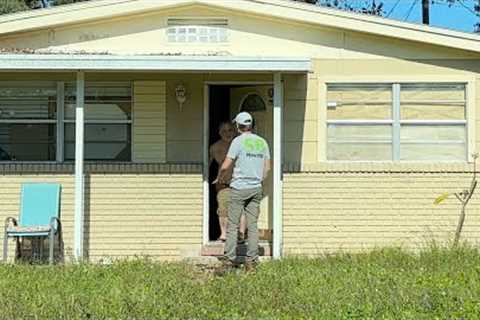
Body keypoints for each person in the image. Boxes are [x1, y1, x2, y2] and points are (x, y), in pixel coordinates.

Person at [216, 112, 271, 273]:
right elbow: (267, 168)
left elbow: (226, 165)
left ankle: (228, 261)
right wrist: (258, 180)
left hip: (239, 188)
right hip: (255, 188)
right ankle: (252, 263)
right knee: (252, 226)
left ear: (238, 126)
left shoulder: (238, 142)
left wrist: (220, 177)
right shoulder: (262, 142)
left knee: (232, 226)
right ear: (251, 125)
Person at [209, 122, 247, 242]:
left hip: (239, 181)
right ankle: (224, 234)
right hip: (223, 183)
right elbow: (207, 165)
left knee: (241, 209)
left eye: (230, 130)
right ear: (219, 133)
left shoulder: (241, 145)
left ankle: (241, 234)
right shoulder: (214, 147)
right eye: (224, 131)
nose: (227, 133)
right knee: (223, 210)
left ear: (235, 131)